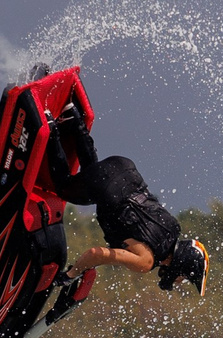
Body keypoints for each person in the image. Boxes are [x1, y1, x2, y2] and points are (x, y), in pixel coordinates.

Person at [47, 103, 210, 293]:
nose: (180, 281)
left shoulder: (172, 227)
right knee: (64, 188)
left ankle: (72, 116)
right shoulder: (145, 262)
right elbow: (96, 254)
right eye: (185, 278)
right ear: (181, 266)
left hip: (123, 168)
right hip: (107, 188)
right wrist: (71, 274)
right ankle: (49, 128)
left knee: (94, 173)